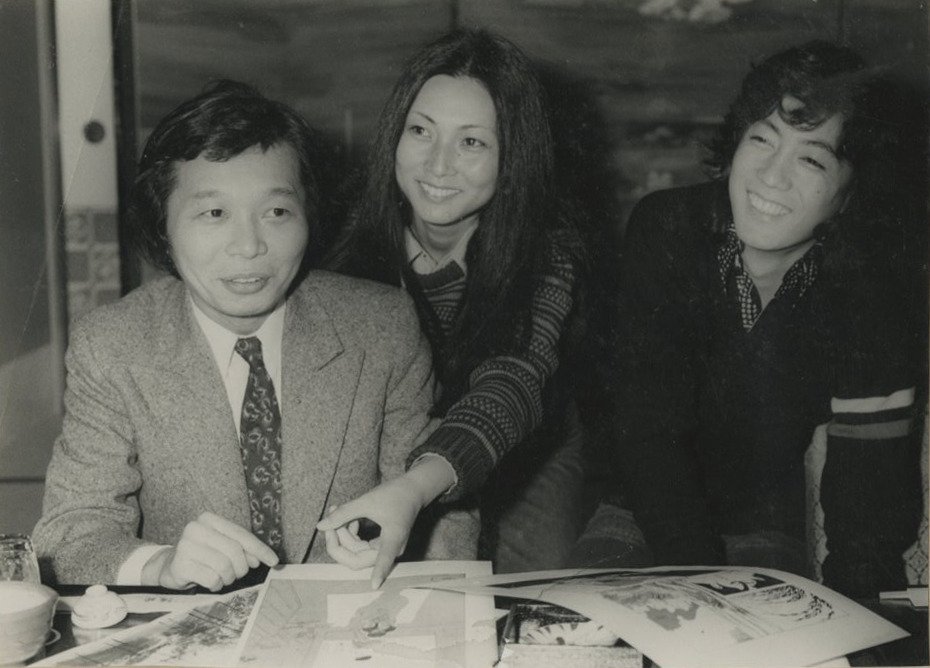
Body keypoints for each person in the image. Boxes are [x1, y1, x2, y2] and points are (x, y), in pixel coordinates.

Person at [32, 80, 440, 591]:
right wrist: (161, 565)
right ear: (164, 226)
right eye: (214, 213)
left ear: (309, 218)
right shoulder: (112, 345)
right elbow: (69, 535)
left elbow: (441, 513)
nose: (249, 247)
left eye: (276, 212)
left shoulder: (382, 327)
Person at [570, 41, 925, 598]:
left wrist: (853, 627)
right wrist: (705, 590)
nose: (771, 177)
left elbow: (867, 505)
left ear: (850, 193)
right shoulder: (669, 230)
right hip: (637, 502)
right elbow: (647, 435)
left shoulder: (871, 289)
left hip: (759, 518)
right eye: (761, 138)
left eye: (811, 158)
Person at [318, 29, 589, 586]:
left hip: (526, 449)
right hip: (396, 441)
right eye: (421, 131)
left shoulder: (546, 250)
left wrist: (417, 486)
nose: (438, 165)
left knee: (534, 592)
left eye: (472, 142)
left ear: (512, 156)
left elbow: (512, 382)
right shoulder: (341, 236)